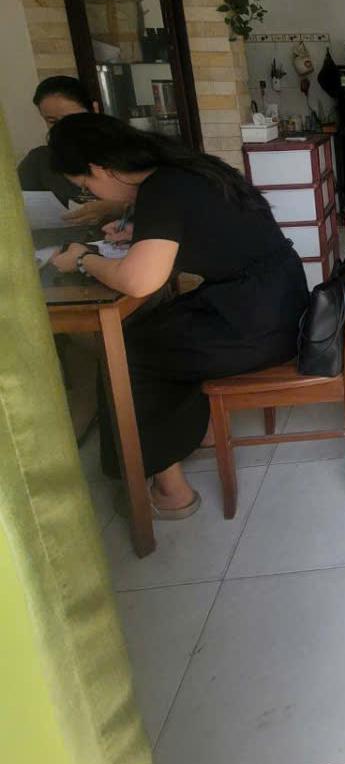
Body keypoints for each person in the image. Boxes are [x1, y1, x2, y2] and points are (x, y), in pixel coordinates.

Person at [48, 114, 308, 518]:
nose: (91, 194)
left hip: (257, 324)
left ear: (99, 168)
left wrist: (83, 259)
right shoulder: (185, 169)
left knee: (128, 352)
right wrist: (140, 232)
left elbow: (138, 281)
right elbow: (203, 228)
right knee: (161, 328)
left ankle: (171, 490)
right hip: (279, 304)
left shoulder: (163, 187)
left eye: (85, 185)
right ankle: (199, 433)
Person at [17, 76, 119, 225]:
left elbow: (153, 205)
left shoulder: (126, 154)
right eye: (52, 121)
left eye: (71, 119)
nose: (62, 129)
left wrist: (118, 209)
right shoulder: (38, 161)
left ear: (94, 110)